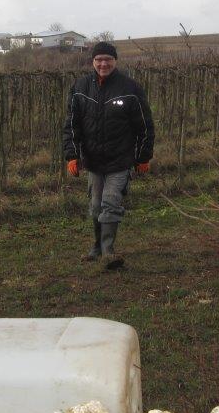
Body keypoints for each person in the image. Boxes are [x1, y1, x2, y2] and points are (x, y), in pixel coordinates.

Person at [63, 41, 155, 268]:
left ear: (115, 61)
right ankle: (96, 247)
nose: (103, 64)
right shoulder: (80, 87)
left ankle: (108, 252)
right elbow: (72, 125)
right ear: (92, 61)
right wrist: (71, 155)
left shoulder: (130, 88)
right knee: (96, 206)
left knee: (111, 203)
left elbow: (145, 126)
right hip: (93, 161)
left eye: (108, 59)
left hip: (120, 160)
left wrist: (143, 157)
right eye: (99, 59)